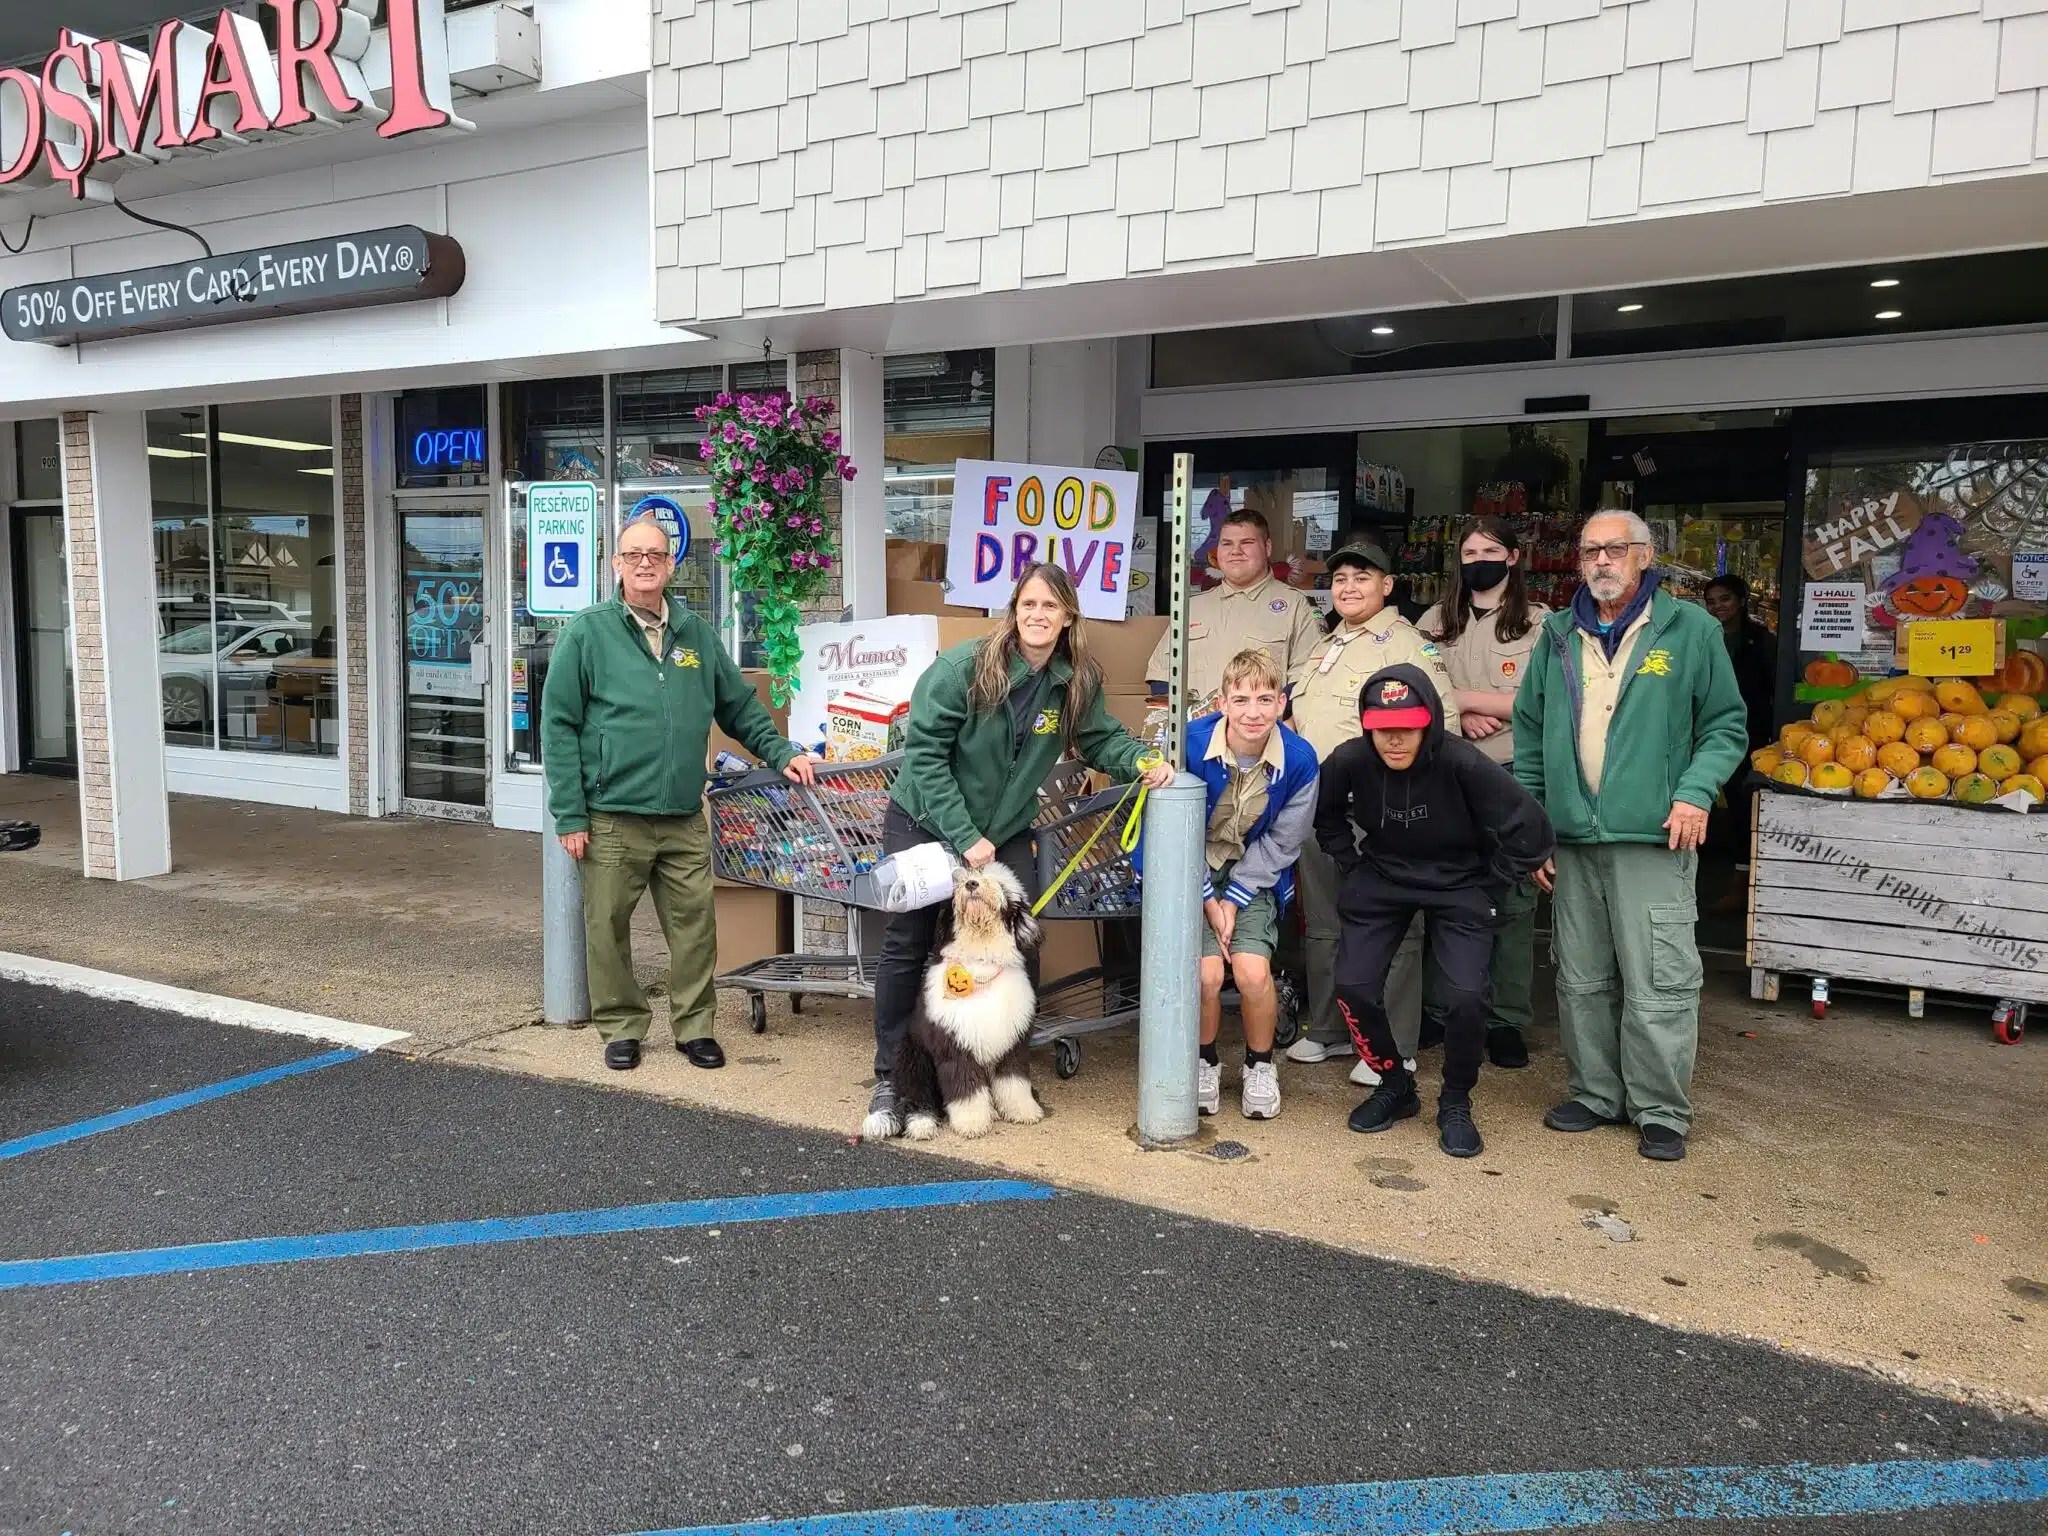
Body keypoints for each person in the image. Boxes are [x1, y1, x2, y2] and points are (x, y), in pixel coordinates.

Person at [864, 563, 1175, 1138]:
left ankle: (1006, 1070)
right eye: (1028, 604)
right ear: (1013, 611)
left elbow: (1100, 737)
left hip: (1003, 828)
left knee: (1019, 943)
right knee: (910, 941)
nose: (1038, 615)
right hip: (926, 821)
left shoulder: (1075, 679)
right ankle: (893, 1075)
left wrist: (1139, 760)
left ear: (1068, 617)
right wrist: (964, 837)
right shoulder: (963, 669)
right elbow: (925, 758)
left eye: (1050, 606)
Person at [543, 513, 820, 1073]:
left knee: (695, 928)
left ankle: (694, 1027)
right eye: (633, 555)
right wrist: (570, 814)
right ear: (617, 564)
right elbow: (558, 725)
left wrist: (782, 752)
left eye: (655, 554)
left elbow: (739, 707)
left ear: (671, 565)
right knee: (607, 929)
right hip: (611, 816)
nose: (644, 563)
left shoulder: (695, 634)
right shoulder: (587, 633)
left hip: (681, 816)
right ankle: (622, 1026)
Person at [1512, 512, 1748, 1162]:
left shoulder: (1690, 629)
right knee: (1580, 977)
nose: (1601, 561)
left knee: (1658, 980)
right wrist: (1535, 824)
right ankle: (1595, 1094)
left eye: (1615, 549)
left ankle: (1660, 1108)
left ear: (1645, 556)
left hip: (1654, 837)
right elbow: (1529, 735)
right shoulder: (1557, 634)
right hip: (1570, 838)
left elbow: (1725, 725)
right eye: (1591, 550)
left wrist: (1695, 791)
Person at [1316, 666, 1553, 1158]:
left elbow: (1531, 828)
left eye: (1408, 727)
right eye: (1383, 728)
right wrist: (1351, 865)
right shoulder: (1349, 760)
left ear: (1429, 723)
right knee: (1353, 986)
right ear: (1367, 726)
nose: (1395, 739)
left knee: (1464, 997)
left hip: (1461, 879)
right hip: (1383, 876)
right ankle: (1394, 1084)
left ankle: (1456, 1101)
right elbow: (1327, 818)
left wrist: (1493, 883)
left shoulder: (1462, 762)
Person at [1281, 542, 1460, 1085]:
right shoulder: (1324, 644)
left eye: (1362, 577)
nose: (1348, 587)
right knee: (1326, 922)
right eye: (1340, 578)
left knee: (1393, 923)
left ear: (1387, 585)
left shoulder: (1406, 646)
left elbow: (1442, 727)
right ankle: (1332, 1029)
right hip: (1319, 806)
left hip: (1381, 807)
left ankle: (1393, 1045)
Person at [1415, 517, 1551, 1070]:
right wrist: (1461, 713)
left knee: (1513, 898)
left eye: (1490, 551)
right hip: (1445, 772)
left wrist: (1462, 700)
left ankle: (1506, 1019)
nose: (1478, 561)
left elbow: (1539, 702)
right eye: (1469, 553)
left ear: (1513, 557)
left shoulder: (1539, 623)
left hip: (1511, 772)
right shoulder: (1433, 621)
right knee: (1443, 889)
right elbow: (1414, 690)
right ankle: (1438, 1008)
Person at [1182, 649, 1320, 1121]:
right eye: (1240, 700)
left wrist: (1234, 900)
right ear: (1221, 703)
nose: (1253, 712)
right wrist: (1208, 898)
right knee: (1206, 974)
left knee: (1253, 973)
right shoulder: (1190, 744)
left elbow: (1284, 840)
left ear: (1282, 703)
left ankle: (1260, 1065)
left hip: (1254, 869)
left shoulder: (1299, 760)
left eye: (1265, 699)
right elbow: (1174, 829)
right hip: (1191, 867)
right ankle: (1203, 1062)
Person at [1146, 508, 1324, 712]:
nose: (1235, 551)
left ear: (1267, 547)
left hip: (1263, 728)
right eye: (1227, 543)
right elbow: (1162, 676)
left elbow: (1307, 680)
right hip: (1197, 730)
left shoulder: (1297, 605)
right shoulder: (1192, 608)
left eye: (1247, 543)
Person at [1701, 573, 1779, 863]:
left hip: (1750, 729)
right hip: (1706, 726)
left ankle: (1742, 865)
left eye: (1725, 599)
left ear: (1742, 600)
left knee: (1742, 798)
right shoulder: (1703, 639)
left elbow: (1774, 686)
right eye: (1711, 602)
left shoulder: (1761, 640)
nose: (1718, 607)